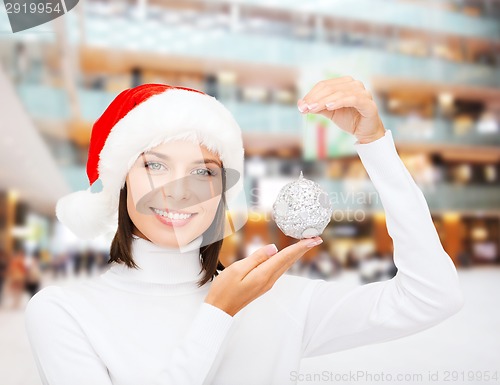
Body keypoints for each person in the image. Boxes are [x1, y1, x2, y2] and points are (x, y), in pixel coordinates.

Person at [24, 77, 464, 385]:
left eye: (204, 171)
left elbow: (433, 297)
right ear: (120, 182)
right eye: (155, 165)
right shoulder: (64, 312)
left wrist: (375, 146)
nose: (179, 193)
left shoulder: (279, 302)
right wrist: (218, 314)